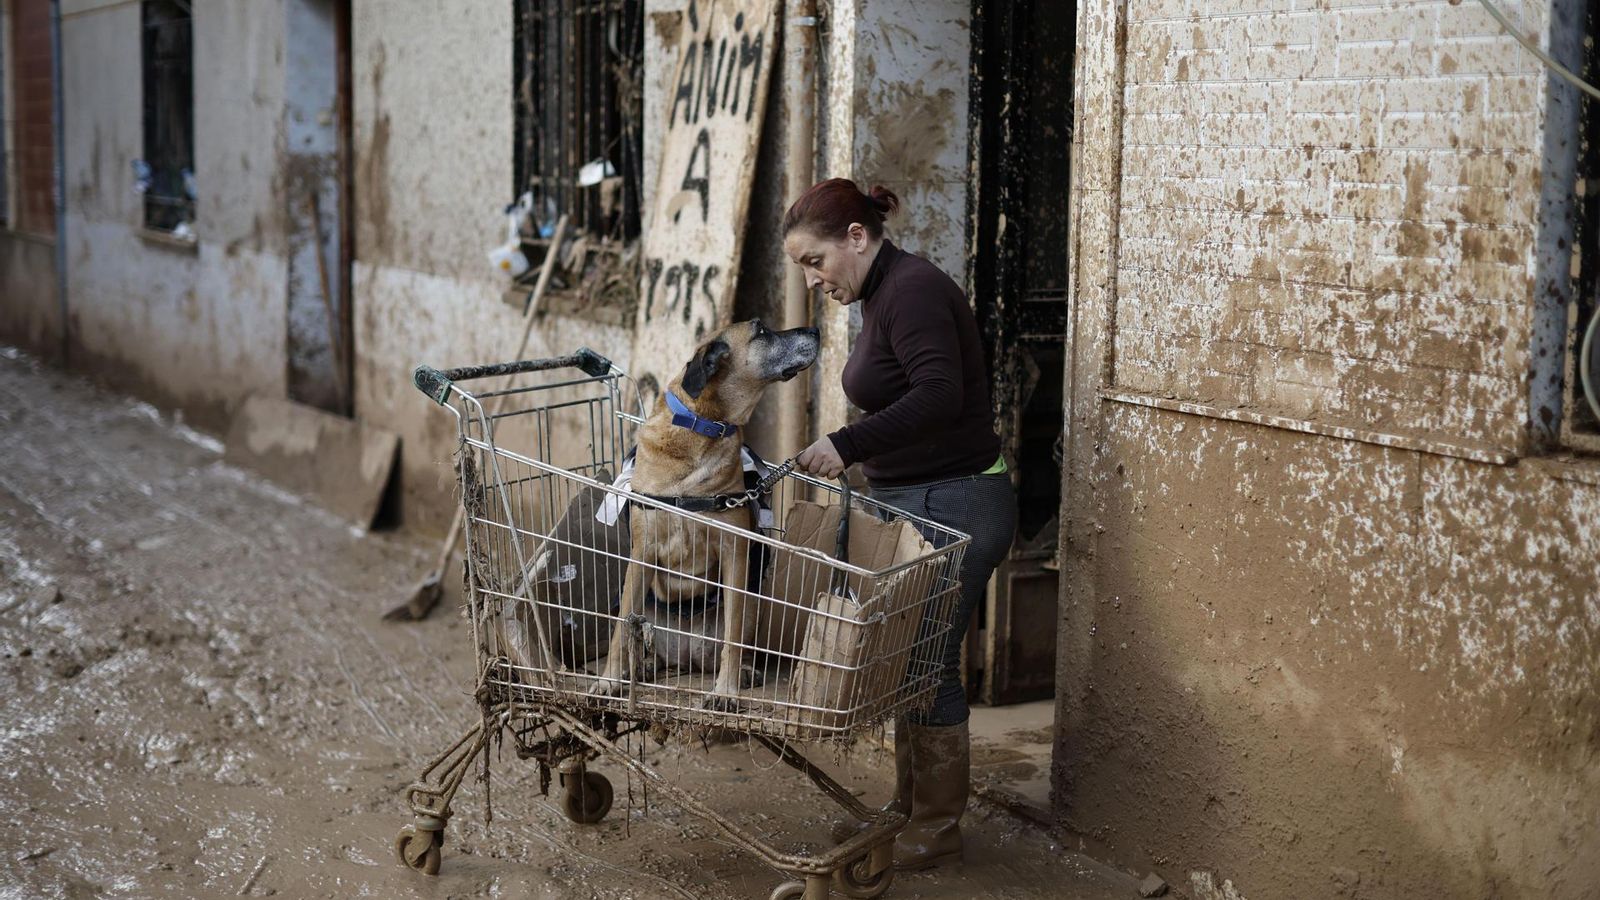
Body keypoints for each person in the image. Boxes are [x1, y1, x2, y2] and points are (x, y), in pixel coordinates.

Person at [784, 178, 1017, 871]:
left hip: (956, 500)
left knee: (926, 662)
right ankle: (907, 806)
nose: (811, 280)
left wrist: (847, 444)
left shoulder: (911, 290)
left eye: (814, 261)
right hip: (920, 499)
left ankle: (938, 823)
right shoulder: (881, 293)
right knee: (907, 660)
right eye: (802, 266)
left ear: (857, 238)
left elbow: (940, 394)